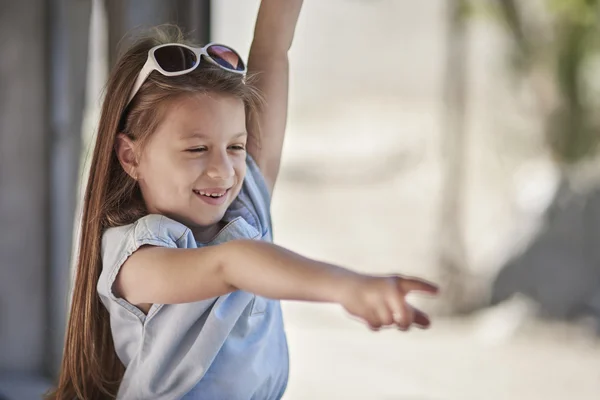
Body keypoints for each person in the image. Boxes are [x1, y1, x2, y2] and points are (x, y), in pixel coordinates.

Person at [48, 1, 438, 399]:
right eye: (196, 149)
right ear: (132, 157)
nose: (224, 170)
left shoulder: (244, 206)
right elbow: (229, 264)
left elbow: (272, 47)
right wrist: (346, 286)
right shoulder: (134, 261)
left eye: (235, 146)